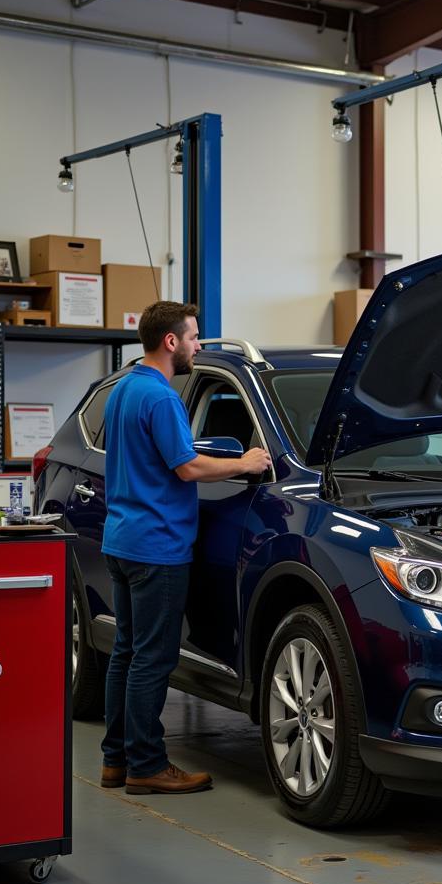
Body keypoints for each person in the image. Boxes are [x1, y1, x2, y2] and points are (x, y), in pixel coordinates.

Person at [99, 301, 271, 794]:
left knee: (127, 654)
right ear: (170, 341)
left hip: (123, 538)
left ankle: (117, 760)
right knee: (153, 658)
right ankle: (147, 766)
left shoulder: (124, 388)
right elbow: (188, 468)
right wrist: (246, 462)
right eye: (193, 336)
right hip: (157, 546)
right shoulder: (161, 398)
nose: (198, 345)